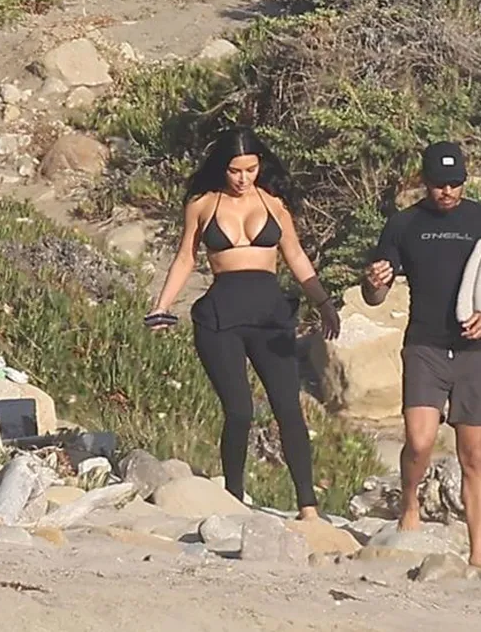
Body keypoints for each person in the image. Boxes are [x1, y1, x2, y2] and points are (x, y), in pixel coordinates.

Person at [146, 126, 341, 522]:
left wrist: (323, 302)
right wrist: (161, 306)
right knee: (239, 411)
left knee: (288, 408)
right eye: (235, 170)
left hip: (271, 317)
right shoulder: (202, 204)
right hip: (220, 319)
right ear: (222, 167)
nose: (243, 178)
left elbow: (295, 255)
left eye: (250, 169)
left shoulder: (274, 203)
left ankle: (308, 506)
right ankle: (233, 498)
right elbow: (185, 257)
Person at [360, 141, 481, 567]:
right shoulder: (404, 224)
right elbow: (374, 296)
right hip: (425, 345)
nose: (448, 191)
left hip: (476, 350)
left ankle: (477, 555)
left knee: (473, 454)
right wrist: (373, 280)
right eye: (440, 184)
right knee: (419, 442)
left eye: (456, 183)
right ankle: (409, 503)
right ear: (425, 182)